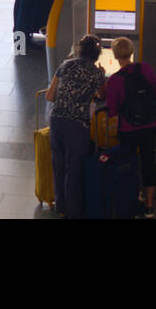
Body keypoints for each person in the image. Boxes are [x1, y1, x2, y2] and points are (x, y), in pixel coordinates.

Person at [44, 34, 106, 219]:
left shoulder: (65, 65)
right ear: (97, 54)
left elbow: (49, 95)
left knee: (59, 164)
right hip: (77, 125)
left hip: (56, 120)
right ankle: (74, 211)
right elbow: (102, 95)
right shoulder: (96, 73)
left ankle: (60, 207)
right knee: (74, 169)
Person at [105, 36, 156, 218]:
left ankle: (132, 199)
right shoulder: (145, 68)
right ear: (131, 52)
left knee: (129, 164)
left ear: (115, 56)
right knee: (148, 162)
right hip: (149, 125)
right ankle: (149, 206)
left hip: (128, 128)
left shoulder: (115, 79)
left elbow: (112, 110)